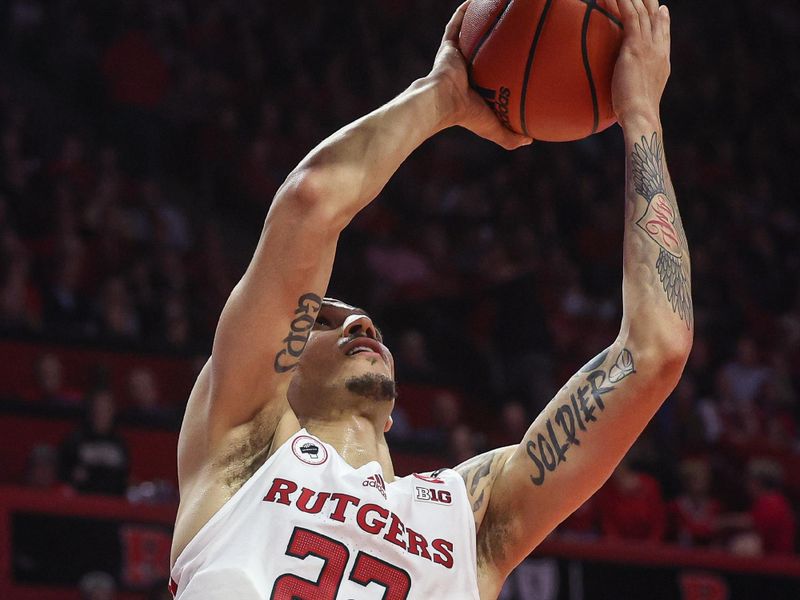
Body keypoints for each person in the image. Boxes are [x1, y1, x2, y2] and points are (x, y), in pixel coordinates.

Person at [169, 1, 692, 598]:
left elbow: (657, 351)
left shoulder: (469, 516)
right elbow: (311, 202)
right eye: (322, 318)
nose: (359, 322)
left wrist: (641, 115)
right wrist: (440, 94)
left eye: (361, 318)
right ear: (275, 366)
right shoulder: (242, 449)